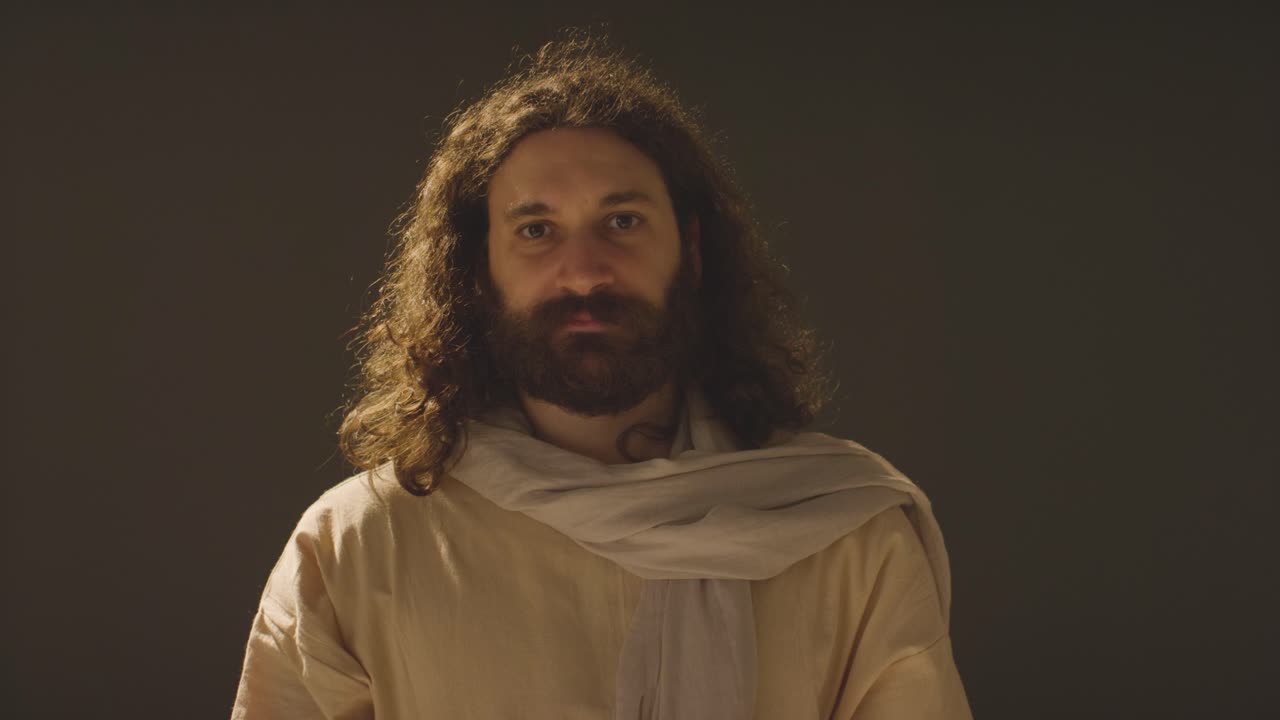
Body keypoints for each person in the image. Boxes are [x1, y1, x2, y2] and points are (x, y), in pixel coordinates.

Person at [231, 34, 973, 720]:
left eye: (622, 222)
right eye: (535, 231)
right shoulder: (356, 551)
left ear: (692, 251)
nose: (583, 270)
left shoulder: (848, 539)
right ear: (476, 275)